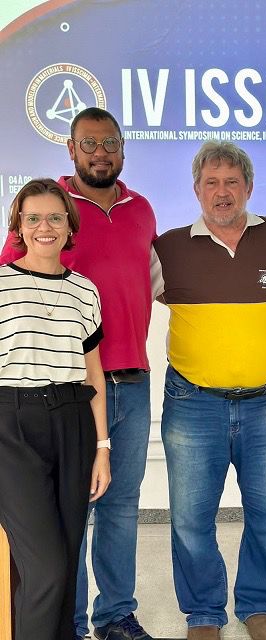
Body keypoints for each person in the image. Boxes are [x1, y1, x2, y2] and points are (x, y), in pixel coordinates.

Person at [0, 107, 158, 640]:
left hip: (125, 380)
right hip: (43, 399)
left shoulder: (143, 211)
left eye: (110, 142)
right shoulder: (49, 208)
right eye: (88, 143)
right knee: (59, 535)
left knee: (119, 506)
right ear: (71, 149)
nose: (100, 152)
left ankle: (115, 616)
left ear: (123, 148)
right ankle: (62, 622)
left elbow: (156, 281)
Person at [152, 140, 266, 640]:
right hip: (192, 403)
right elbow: (129, 296)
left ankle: (259, 604)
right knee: (190, 518)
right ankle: (203, 612)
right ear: (196, 189)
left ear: (249, 187)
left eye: (232, 182)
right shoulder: (168, 248)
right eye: (211, 182)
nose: (222, 192)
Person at [0, 178, 110, 640]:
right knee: (43, 567)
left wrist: (102, 448)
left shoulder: (85, 291)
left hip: (72, 422)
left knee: (65, 560)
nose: (44, 226)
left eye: (54, 217)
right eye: (33, 218)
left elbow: (94, 375)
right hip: (11, 427)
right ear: (19, 226)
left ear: (69, 225)